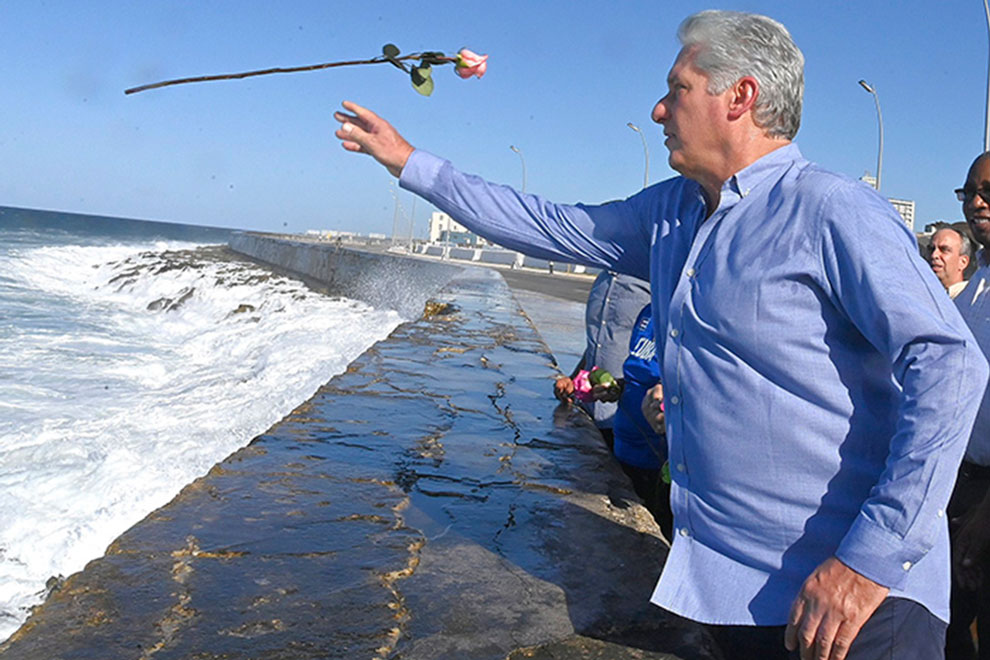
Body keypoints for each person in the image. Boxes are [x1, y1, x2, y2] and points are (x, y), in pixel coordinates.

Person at [333, 10, 987, 659]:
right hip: (732, 595)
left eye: (677, 90)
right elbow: (543, 223)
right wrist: (408, 161)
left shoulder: (831, 210)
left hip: (857, 604)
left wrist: (869, 561)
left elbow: (950, 368)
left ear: (741, 97)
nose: (657, 110)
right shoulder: (671, 213)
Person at [946, 154, 990, 659]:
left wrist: (984, 520)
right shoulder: (974, 280)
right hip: (961, 486)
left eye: (988, 191)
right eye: (970, 191)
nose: (978, 201)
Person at [591, 302, 673, 541]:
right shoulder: (649, 311)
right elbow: (638, 374)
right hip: (623, 451)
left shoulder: (695, 317)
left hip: (657, 465)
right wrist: (617, 388)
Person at [553, 270, 651, 448]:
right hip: (587, 409)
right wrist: (573, 378)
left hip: (627, 417)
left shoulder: (650, 281)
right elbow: (598, 343)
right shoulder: (602, 280)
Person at [929, 226, 973, 299]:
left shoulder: (972, 299)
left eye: (944, 250)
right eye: (931, 249)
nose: (934, 255)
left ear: (963, 262)